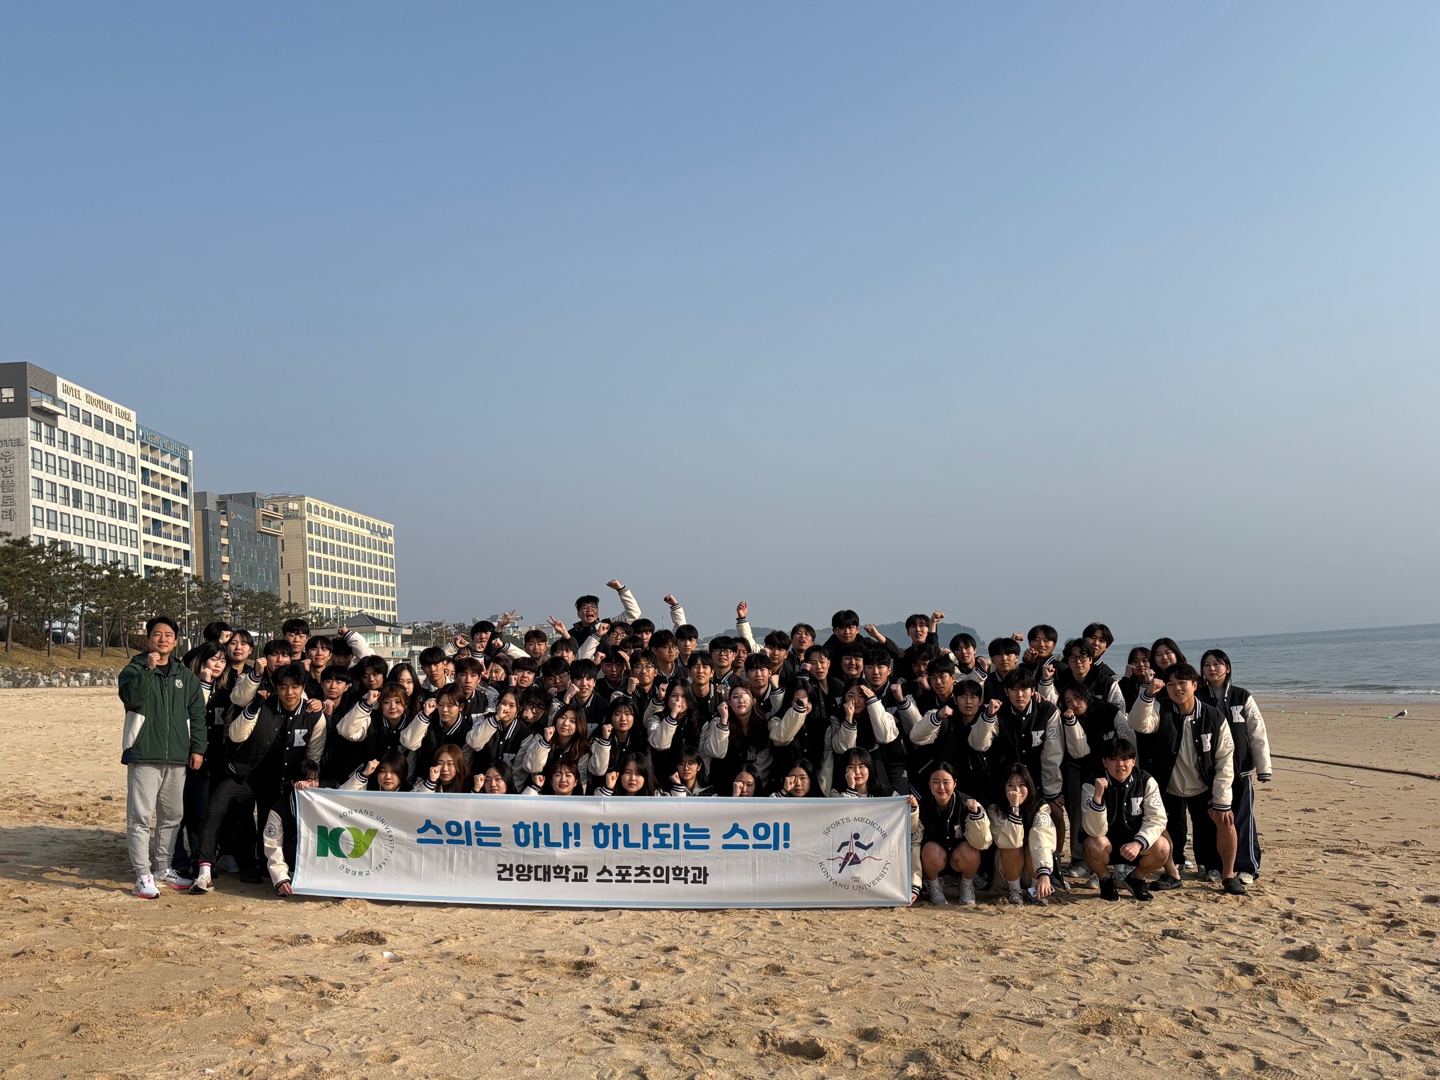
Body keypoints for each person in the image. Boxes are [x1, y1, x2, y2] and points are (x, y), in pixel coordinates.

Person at [191, 664, 326, 894]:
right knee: (215, 810)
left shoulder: (314, 715)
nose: (289, 692)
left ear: (303, 688)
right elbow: (236, 735)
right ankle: (205, 870)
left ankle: (267, 868)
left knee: (268, 825)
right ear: (275, 687)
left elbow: (313, 756)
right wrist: (254, 706)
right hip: (243, 775)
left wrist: (307, 781)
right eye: (283, 687)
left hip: (278, 783)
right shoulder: (262, 704)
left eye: (295, 687)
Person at [1128, 662, 1245, 895]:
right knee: (1162, 824)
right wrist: (1148, 694)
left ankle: (1228, 874)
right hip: (1167, 784)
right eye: (1171, 684)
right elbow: (1139, 723)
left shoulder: (1213, 717)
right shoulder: (1160, 709)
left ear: (1195, 685)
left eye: (1182, 683)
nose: (1177, 689)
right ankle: (1172, 873)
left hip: (1204, 784)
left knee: (1225, 821)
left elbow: (1224, 760)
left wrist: (1222, 799)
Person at [119, 616, 207, 898]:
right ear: (148, 639)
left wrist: (197, 748)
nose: (163, 639)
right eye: (157, 634)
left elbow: (197, 714)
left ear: (176, 641)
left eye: (168, 634)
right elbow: (132, 699)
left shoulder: (186, 676)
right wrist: (148, 669)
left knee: (172, 816)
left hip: (178, 756)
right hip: (144, 753)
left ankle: (163, 867)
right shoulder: (134, 669)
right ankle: (142, 874)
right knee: (140, 817)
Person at [1199, 649, 1273, 884]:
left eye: (1217, 664)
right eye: (1207, 665)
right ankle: (1214, 866)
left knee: (1241, 819)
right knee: (1211, 821)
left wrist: (1263, 768)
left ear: (1228, 668)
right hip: (1209, 773)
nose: (1212, 669)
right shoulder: (1198, 696)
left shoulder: (1242, 697)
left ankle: (1246, 867)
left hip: (1240, 771)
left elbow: (1257, 732)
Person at [827, 747, 923, 902]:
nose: (856, 772)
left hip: (879, 846)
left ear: (870, 768)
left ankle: (912, 885)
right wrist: (851, 789)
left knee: (915, 835)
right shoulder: (836, 794)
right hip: (848, 847)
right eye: (851, 767)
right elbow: (843, 821)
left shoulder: (888, 794)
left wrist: (912, 809)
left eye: (862, 766)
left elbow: (907, 827)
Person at [1080, 739, 1170, 901]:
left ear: (1133, 761)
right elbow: (1093, 830)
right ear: (1104, 762)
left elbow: (1157, 818)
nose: (1120, 764)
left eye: (1125, 759)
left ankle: (1136, 879)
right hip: (1107, 844)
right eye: (1114, 759)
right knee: (1092, 844)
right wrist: (1097, 799)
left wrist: (1139, 843)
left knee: (1163, 847)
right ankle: (1105, 880)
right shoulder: (1092, 783)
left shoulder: (1146, 781)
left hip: (1135, 845)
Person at [967, 763, 1058, 907]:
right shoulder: (995, 809)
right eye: (1010, 785)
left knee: (1034, 844)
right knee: (1011, 845)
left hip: (1035, 871)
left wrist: (1044, 873)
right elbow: (1008, 841)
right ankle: (1014, 890)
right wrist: (1014, 809)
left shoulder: (1040, 807)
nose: (1016, 790)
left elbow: (1042, 838)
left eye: (1022, 785)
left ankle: (1037, 889)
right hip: (1005, 871)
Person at [916, 762, 987, 906]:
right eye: (936, 782)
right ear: (929, 784)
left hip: (959, 858)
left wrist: (976, 816)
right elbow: (914, 839)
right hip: (936, 859)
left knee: (971, 851)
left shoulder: (968, 803)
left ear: (954, 784)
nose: (941, 787)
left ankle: (967, 885)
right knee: (929, 850)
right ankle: (934, 886)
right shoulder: (922, 805)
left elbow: (982, 842)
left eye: (946, 782)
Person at [261, 760, 322, 897]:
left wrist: (363, 775)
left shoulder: (325, 799)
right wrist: (281, 877)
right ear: (294, 782)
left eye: (316, 780)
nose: (313, 785)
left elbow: (345, 801)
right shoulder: (280, 809)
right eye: (308, 780)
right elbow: (273, 845)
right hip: (295, 866)